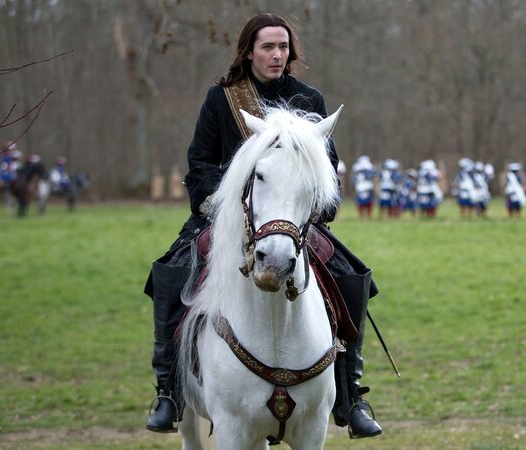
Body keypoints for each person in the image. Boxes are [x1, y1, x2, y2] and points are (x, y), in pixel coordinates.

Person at [143, 13, 382, 439]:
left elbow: (328, 171)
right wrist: (225, 206)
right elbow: (199, 164)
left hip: (293, 222)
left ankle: (351, 394)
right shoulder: (221, 99)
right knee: (173, 271)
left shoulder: (309, 101)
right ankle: (169, 391)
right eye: (268, 47)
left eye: (283, 47)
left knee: (351, 275)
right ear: (249, 51)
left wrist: (321, 206)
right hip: (228, 217)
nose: (276, 55)